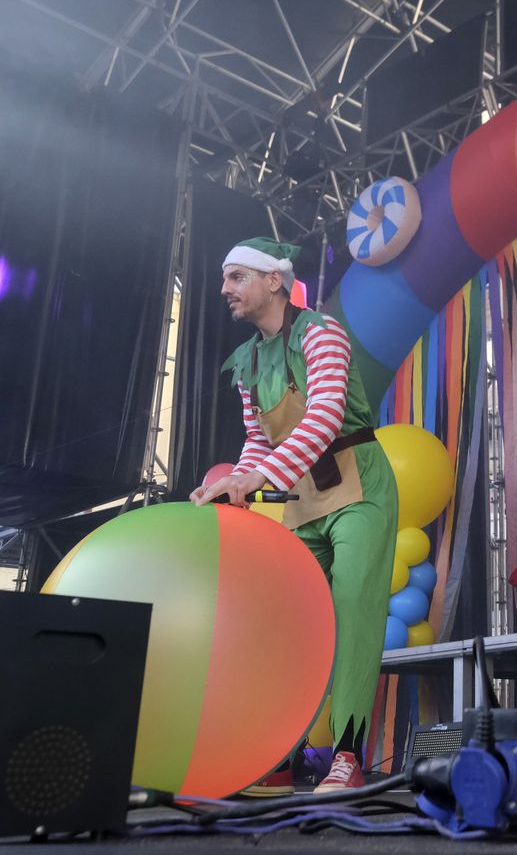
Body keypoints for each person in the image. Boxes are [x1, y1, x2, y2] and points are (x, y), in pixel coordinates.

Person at [190, 237, 398, 794]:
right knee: (288, 623)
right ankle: (280, 752)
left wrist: (258, 478)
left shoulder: (321, 333)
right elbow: (258, 439)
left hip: (358, 487)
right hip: (299, 500)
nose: (224, 290)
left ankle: (348, 757)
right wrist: (237, 481)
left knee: (353, 610)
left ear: (273, 281)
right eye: (225, 278)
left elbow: (327, 412)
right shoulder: (248, 361)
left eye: (236, 277)